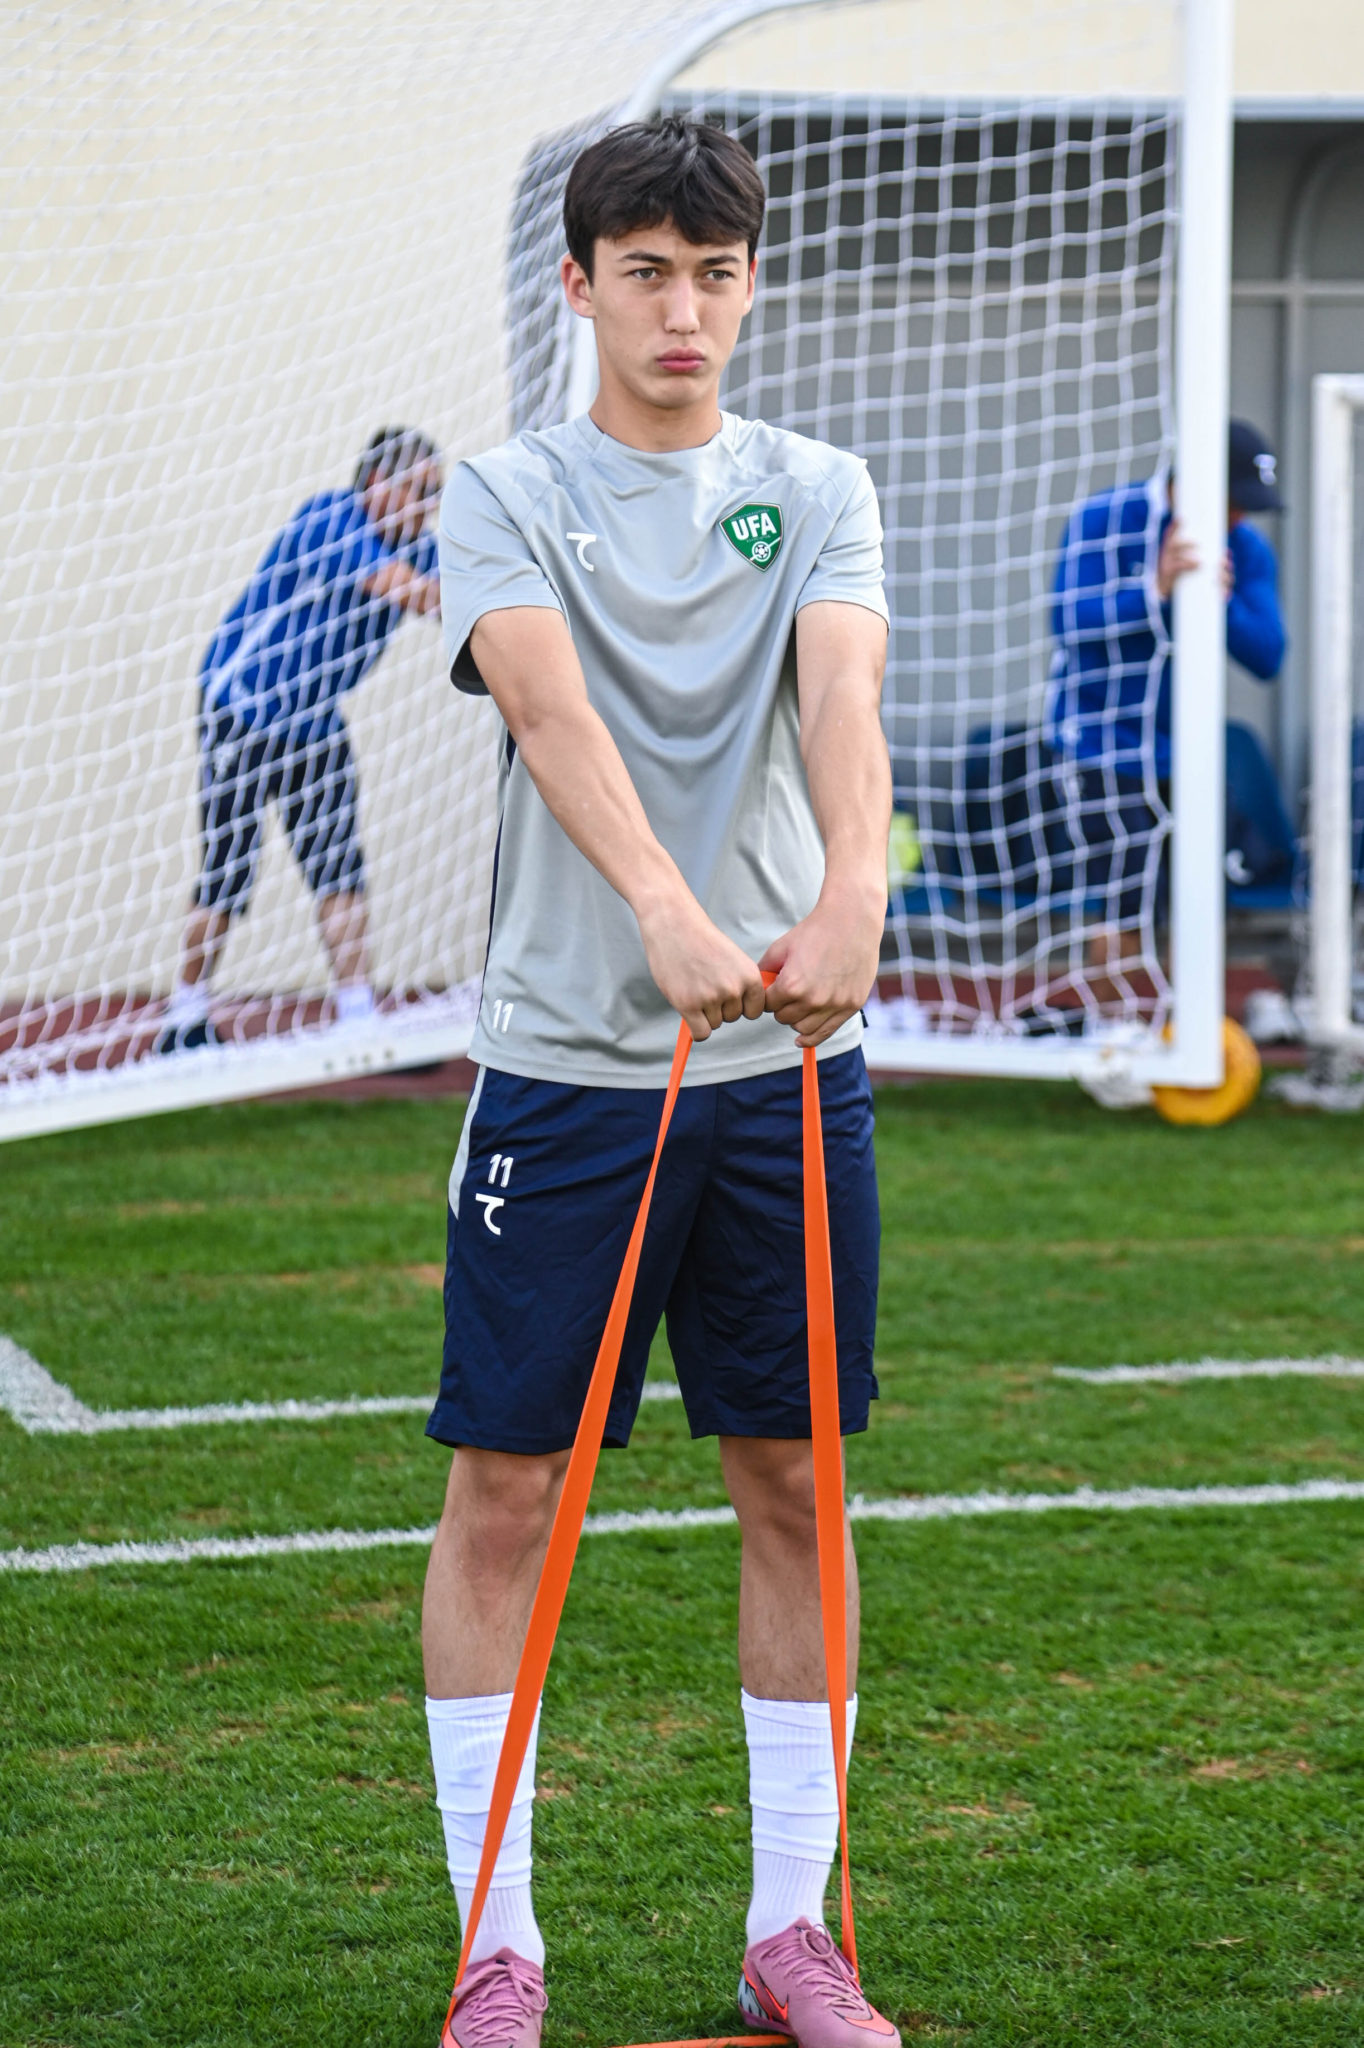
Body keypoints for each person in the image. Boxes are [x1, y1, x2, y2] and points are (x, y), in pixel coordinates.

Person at [424, 119, 898, 2048]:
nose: (679, 309)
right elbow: (547, 710)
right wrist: (660, 906)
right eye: (643, 272)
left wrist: (854, 884)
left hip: (788, 1068)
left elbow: (839, 693)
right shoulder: (503, 491)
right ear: (581, 286)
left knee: (789, 1474)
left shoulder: (818, 486)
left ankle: (790, 1932)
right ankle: (496, 1945)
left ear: (748, 283)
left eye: (711, 272)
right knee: (508, 1489)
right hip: (569, 1070)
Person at [155, 426, 443, 1053]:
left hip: (314, 720)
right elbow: (411, 593)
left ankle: (358, 1019)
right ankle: (183, 1017)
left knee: (340, 868)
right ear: (378, 485)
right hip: (242, 710)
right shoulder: (328, 520)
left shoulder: (422, 548)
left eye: (437, 493)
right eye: (421, 491)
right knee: (228, 869)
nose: (430, 507)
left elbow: (460, 592)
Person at [1045, 418, 1286, 976]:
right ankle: (1117, 1027)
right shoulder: (1107, 517)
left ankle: (1188, 1025)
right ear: (1192, 482)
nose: (1239, 516)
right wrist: (1153, 590)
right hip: (1103, 748)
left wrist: (1221, 601)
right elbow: (1069, 622)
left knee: (1202, 906)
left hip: (1191, 752)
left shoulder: (1244, 546)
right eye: (1233, 501)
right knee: (1122, 911)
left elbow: (1268, 656)